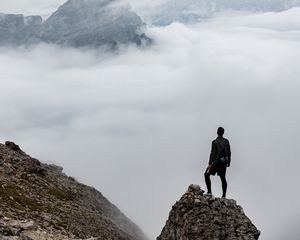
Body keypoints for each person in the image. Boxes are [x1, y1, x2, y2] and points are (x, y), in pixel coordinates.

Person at [204, 127, 231, 198]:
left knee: (206, 175)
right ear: (223, 133)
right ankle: (224, 196)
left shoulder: (214, 142)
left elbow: (212, 153)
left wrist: (210, 163)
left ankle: (209, 192)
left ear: (217, 132)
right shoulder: (226, 141)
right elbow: (229, 152)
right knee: (223, 178)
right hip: (224, 162)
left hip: (216, 162)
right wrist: (228, 162)